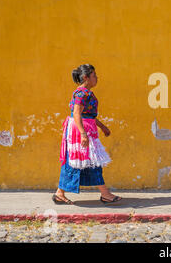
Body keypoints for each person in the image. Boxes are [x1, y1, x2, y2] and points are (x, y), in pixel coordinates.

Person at [52, 64, 122, 205]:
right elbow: (77, 113)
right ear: (86, 77)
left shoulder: (85, 93)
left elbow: (88, 115)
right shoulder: (81, 94)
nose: (97, 78)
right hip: (79, 132)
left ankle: (60, 193)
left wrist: (102, 126)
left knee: (83, 163)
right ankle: (105, 194)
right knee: (91, 162)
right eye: (94, 75)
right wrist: (83, 134)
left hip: (85, 129)